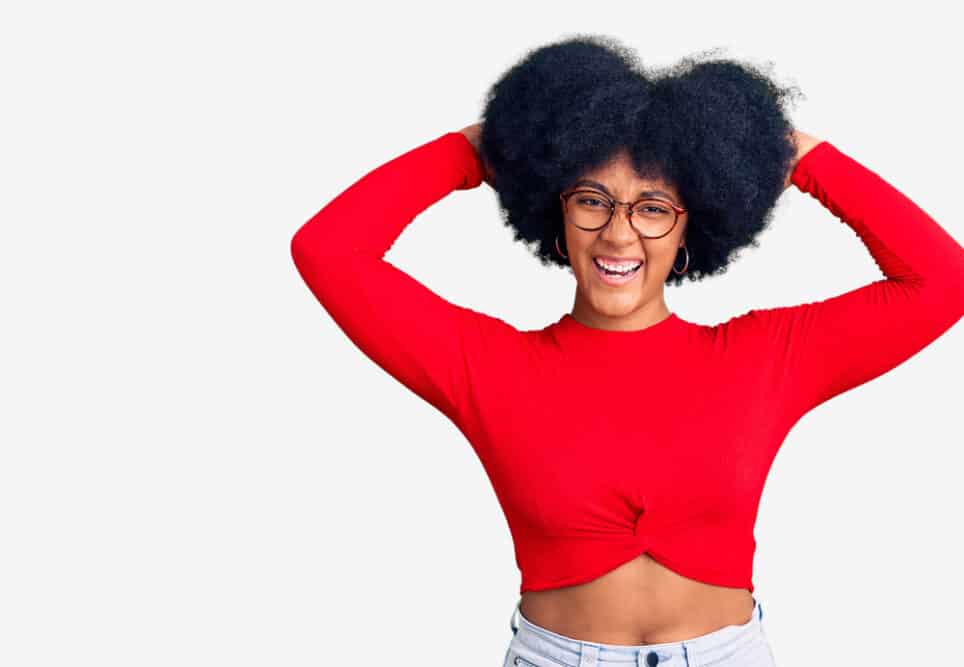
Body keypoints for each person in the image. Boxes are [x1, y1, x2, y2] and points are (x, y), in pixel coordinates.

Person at [290, 36, 964, 667]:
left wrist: (805, 159)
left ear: (687, 229)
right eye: (592, 201)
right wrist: (477, 150)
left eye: (651, 207)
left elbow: (942, 280)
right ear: (557, 218)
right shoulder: (482, 362)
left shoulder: (768, 356)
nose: (618, 234)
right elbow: (328, 250)